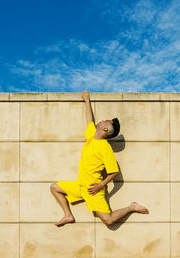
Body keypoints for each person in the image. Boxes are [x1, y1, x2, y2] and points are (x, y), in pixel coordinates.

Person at [50, 90, 149, 227]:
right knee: (55, 187)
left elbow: (113, 171)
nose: (102, 120)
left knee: (108, 220)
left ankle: (131, 207)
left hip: (92, 188)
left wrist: (100, 186)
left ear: (105, 129)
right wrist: (87, 100)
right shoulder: (91, 136)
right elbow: (90, 119)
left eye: (105, 121)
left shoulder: (105, 147)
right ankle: (68, 215)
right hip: (80, 186)